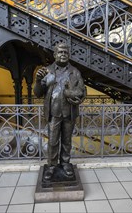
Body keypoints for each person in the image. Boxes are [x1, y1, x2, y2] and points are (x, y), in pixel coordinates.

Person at [34, 43, 86, 180]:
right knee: (53, 141)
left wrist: (74, 96)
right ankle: (51, 166)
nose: (63, 54)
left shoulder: (75, 72)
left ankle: (65, 163)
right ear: (55, 54)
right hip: (54, 113)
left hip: (69, 112)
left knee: (67, 140)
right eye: (60, 52)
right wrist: (38, 81)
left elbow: (82, 91)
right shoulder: (46, 71)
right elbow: (38, 93)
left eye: (65, 52)